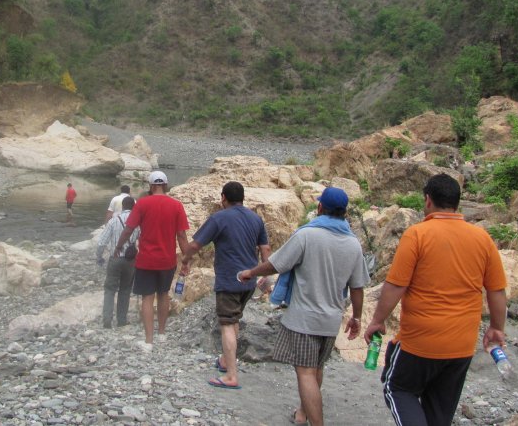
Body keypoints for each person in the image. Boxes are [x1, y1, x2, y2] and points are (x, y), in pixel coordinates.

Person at [363, 173, 507, 426]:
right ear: (457, 203)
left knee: (397, 389)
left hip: (420, 342)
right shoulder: (482, 238)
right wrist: (497, 328)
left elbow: (396, 285)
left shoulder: (418, 234)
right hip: (461, 345)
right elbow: (496, 291)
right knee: (439, 410)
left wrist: (377, 320)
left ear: (428, 200)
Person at [238, 186, 369, 426]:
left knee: (305, 372)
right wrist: (357, 318)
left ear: (320, 208)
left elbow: (277, 264)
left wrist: (250, 272)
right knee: (316, 368)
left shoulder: (307, 235)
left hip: (304, 319)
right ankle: (302, 413)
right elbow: (357, 287)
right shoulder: (353, 244)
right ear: (344, 212)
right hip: (331, 320)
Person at [181, 181, 270, 389]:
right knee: (234, 318)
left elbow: (196, 244)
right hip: (249, 282)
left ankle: (231, 376)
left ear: (223, 198)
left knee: (227, 324)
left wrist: (185, 260)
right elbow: (265, 248)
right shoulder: (256, 219)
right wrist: (266, 275)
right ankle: (224, 360)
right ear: (242, 198)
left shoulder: (218, 218)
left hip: (229, 280)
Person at [115, 170, 189, 353]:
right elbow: (181, 236)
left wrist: (119, 246)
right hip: (167, 260)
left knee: (147, 298)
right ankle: (162, 334)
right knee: (163, 294)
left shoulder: (142, 204)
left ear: (150, 185)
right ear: (165, 184)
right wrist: (187, 258)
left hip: (146, 260)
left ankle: (149, 341)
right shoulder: (176, 205)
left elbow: (129, 229)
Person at [97, 196, 139, 329]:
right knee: (125, 290)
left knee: (110, 289)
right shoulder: (138, 222)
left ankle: (107, 319)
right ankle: (122, 320)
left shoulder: (114, 221)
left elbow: (102, 241)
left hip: (115, 258)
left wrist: (98, 256)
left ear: (123, 206)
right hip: (130, 260)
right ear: (133, 206)